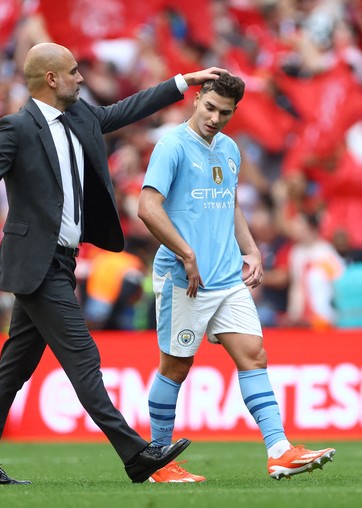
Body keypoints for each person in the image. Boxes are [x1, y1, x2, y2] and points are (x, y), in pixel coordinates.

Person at [0, 42, 225, 485]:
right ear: (51, 79)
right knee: (83, 357)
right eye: (73, 72)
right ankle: (135, 454)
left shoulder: (81, 116)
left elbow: (125, 110)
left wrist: (183, 83)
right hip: (37, 264)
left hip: (62, 263)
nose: (82, 77)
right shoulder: (16, 128)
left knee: (12, 368)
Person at [137, 73, 335, 483]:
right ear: (196, 100)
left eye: (224, 113)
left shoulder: (229, 149)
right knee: (175, 368)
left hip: (227, 276)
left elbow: (229, 203)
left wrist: (251, 248)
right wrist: (186, 253)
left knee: (254, 355)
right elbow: (147, 208)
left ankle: (279, 450)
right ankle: (158, 461)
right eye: (209, 108)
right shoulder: (172, 146)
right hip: (183, 277)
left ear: (234, 113)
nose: (214, 118)